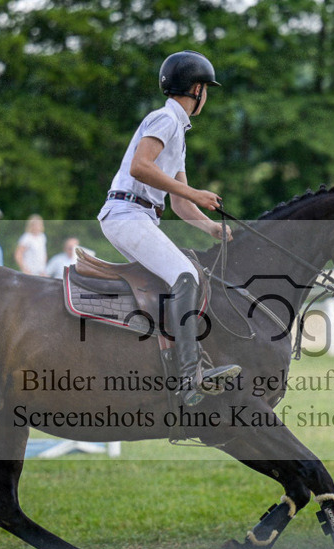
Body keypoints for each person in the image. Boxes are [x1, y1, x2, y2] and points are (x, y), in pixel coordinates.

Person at [97, 50, 239, 407]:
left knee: (182, 274)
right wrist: (195, 192)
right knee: (185, 275)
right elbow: (140, 168)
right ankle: (188, 377)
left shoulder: (177, 130)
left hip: (138, 216)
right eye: (206, 89)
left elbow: (178, 203)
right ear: (196, 89)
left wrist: (209, 227)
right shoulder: (166, 120)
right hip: (127, 214)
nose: (205, 96)